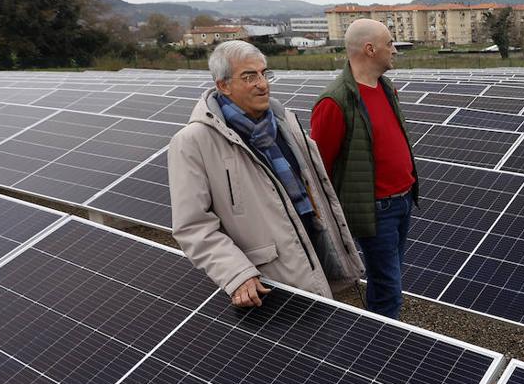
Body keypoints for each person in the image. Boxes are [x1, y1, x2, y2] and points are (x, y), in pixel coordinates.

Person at [168, 40, 365, 307]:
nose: (262, 84)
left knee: (327, 333)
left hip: (314, 244)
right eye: (249, 76)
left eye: (264, 73)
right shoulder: (195, 142)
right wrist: (236, 273)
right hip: (269, 274)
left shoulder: (285, 122)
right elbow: (192, 226)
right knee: (290, 342)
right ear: (223, 85)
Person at [311, 19, 418, 320]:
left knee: (391, 276)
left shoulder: (385, 88)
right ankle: (382, 345)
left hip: (403, 200)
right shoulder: (335, 101)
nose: (394, 50)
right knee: (388, 288)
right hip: (375, 210)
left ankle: (380, 331)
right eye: (389, 44)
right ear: (370, 49)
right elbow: (320, 168)